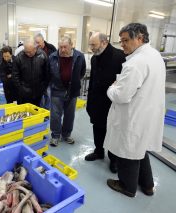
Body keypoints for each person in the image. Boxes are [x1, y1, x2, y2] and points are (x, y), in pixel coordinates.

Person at [105, 23, 165, 197]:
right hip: (147, 112)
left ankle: (127, 186)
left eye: (125, 40)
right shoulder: (154, 55)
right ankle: (147, 185)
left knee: (128, 151)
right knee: (141, 149)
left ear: (139, 38)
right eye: (121, 40)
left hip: (134, 116)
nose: (122, 44)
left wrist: (111, 88)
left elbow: (122, 95)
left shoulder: (136, 62)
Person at [85, 32, 126, 173]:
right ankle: (98, 151)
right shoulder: (94, 59)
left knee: (113, 131)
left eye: (94, 44)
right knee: (98, 127)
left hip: (112, 102)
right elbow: (92, 81)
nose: (91, 48)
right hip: (96, 101)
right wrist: (89, 103)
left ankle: (114, 159)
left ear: (104, 42)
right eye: (90, 44)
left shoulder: (120, 57)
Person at [49, 36, 86, 147]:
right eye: (60, 47)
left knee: (70, 115)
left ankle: (66, 134)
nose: (63, 50)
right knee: (55, 115)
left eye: (65, 47)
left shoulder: (79, 56)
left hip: (72, 90)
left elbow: (82, 72)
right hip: (57, 90)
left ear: (71, 45)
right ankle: (55, 136)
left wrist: (74, 82)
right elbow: (48, 72)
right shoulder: (53, 56)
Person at [13, 39, 49, 106]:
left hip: (39, 92)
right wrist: (21, 89)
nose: (28, 54)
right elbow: (15, 76)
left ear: (35, 48)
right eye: (26, 52)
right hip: (24, 94)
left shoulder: (42, 55)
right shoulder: (19, 58)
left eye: (30, 52)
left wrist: (43, 87)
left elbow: (46, 73)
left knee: (37, 111)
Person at [35, 33, 57, 110]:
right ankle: (40, 110)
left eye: (38, 42)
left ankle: (47, 110)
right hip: (39, 77)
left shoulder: (51, 48)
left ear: (43, 41)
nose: (37, 44)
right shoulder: (35, 50)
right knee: (40, 95)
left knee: (48, 94)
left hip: (49, 76)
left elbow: (56, 60)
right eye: (36, 42)